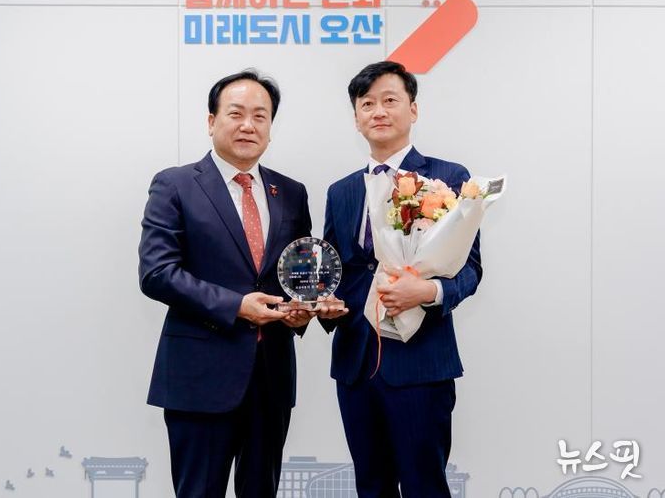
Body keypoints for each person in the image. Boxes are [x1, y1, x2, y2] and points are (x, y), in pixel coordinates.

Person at [138, 69, 315, 497]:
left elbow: (300, 274)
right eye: (236, 113)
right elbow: (157, 272)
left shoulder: (291, 192)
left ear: (270, 127)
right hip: (200, 378)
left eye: (260, 116)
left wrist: (302, 310)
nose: (248, 125)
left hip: (271, 378)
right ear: (211, 120)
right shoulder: (175, 184)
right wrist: (237, 305)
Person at [321, 61, 483, 497]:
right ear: (356, 118)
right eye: (367, 104)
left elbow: (470, 269)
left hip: (421, 363)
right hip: (356, 364)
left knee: (424, 486)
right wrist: (326, 306)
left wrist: (428, 291)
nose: (378, 111)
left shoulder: (448, 177)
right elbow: (334, 271)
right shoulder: (340, 191)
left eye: (390, 100)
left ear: (413, 109)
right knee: (370, 487)